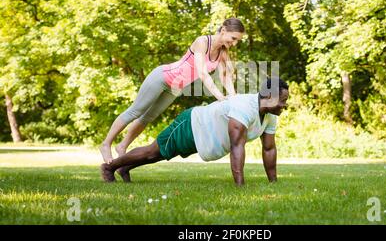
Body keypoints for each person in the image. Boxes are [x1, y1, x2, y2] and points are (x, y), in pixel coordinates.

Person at [100, 18, 245, 164]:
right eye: (233, 38)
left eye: (237, 40)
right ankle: (106, 144)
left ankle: (122, 146)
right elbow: (202, 73)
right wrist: (220, 97)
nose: (234, 43)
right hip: (162, 77)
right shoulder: (202, 42)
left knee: (147, 118)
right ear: (224, 30)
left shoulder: (223, 52)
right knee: (136, 111)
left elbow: (226, 77)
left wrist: (232, 97)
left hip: (175, 88)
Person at [100, 77, 289, 186]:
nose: (285, 105)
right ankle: (109, 167)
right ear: (269, 97)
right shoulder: (244, 107)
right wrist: (240, 187)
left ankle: (125, 167)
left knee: (160, 155)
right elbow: (236, 146)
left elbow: (269, 149)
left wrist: (273, 183)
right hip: (192, 124)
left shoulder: (270, 115)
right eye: (282, 100)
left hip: (203, 136)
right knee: (153, 152)